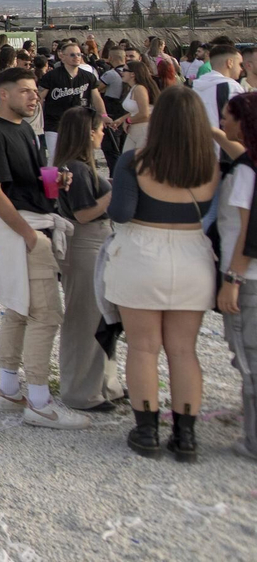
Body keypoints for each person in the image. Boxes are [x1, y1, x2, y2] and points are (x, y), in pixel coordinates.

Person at [104, 85, 220, 459]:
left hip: (142, 253)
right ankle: (186, 437)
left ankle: (147, 431)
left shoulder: (135, 161)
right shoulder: (212, 166)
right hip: (193, 255)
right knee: (184, 351)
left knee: (143, 348)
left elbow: (120, 212)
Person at [0, 66, 90, 430]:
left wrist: (56, 181)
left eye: (34, 91)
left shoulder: (25, 129)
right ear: (4, 94)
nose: (33, 97)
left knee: (19, 309)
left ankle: (10, 389)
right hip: (22, 229)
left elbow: (30, 178)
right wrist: (28, 234)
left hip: (33, 221)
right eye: (25, 91)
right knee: (44, 314)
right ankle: (40, 402)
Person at [53, 107, 125, 413]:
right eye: (97, 129)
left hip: (86, 244)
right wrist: (116, 192)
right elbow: (83, 213)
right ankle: (82, 391)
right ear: (87, 132)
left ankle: (104, 385)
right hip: (86, 244)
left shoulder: (66, 165)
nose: (101, 133)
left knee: (101, 319)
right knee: (87, 321)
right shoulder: (78, 169)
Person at [213, 92, 257, 461]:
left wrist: (232, 280)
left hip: (248, 280)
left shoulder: (245, 173)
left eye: (227, 116)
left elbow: (247, 232)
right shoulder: (249, 161)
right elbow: (232, 146)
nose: (223, 121)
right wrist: (210, 131)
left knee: (251, 361)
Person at [39, 42, 105, 158]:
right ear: (62, 56)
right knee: (57, 158)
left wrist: (103, 116)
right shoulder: (51, 76)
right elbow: (40, 98)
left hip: (80, 124)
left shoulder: (88, 77)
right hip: (55, 124)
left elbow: (97, 98)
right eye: (72, 55)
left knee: (81, 158)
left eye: (79, 55)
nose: (77, 57)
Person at [193, 42, 247, 129]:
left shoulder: (196, 87)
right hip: (223, 141)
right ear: (230, 63)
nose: (241, 69)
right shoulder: (232, 87)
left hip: (200, 141)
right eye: (240, 64)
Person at [116, 60, 159, 154]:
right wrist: (121, 120)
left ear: (133, 74)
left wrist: (128, 121)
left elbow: (144, 114)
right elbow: (135, 110)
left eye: (124, 70)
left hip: (144, 131)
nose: (121, 72)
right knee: (126, 160)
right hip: (134, 130)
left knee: (136, 163)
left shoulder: (140, 89)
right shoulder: (133, 88)